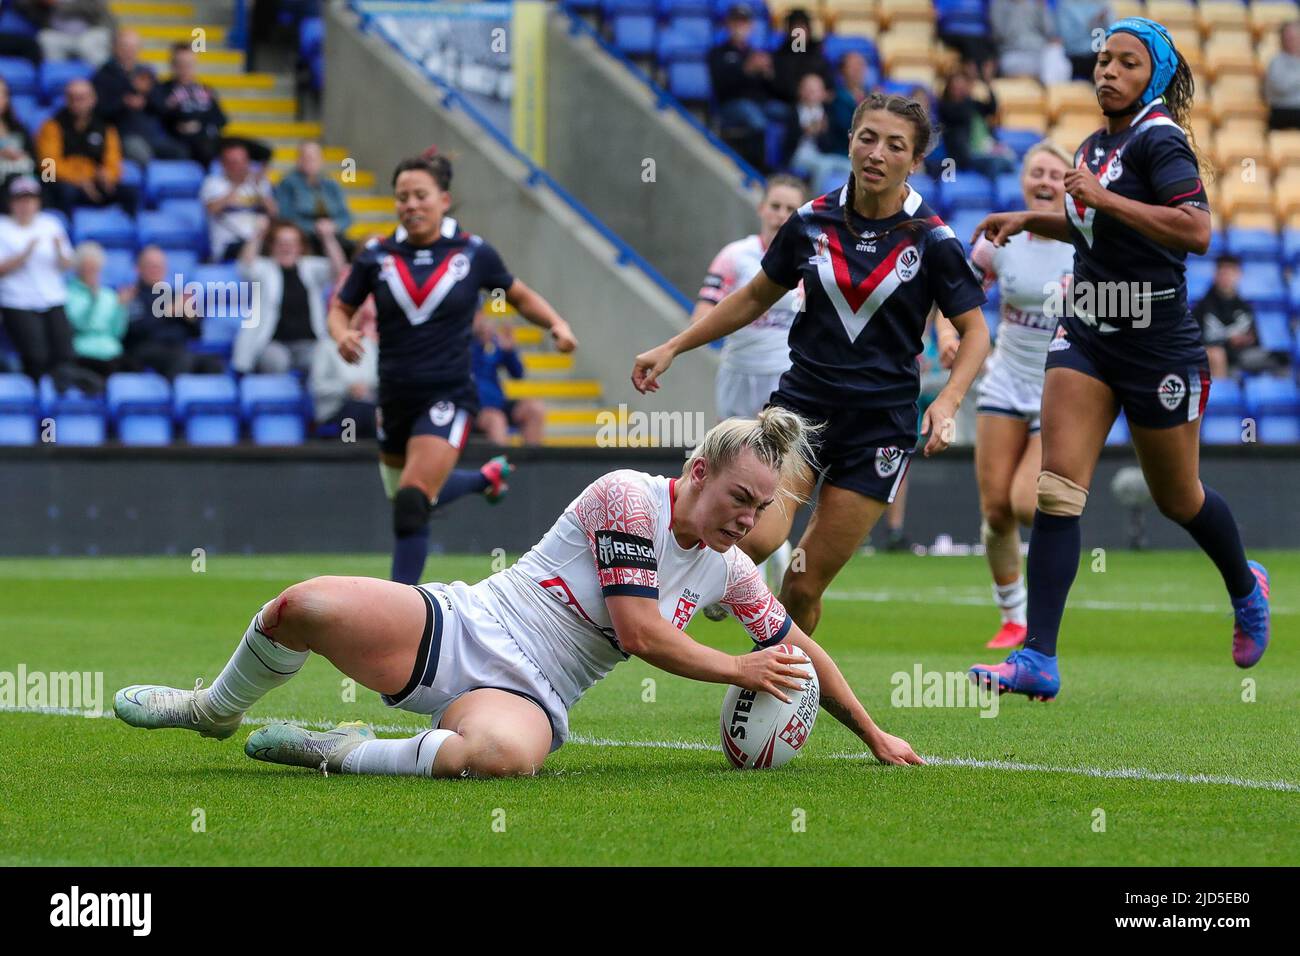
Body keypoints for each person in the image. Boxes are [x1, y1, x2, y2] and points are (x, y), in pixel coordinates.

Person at [113, 411, 925, 777]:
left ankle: (339, 751)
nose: (747, 522)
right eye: (739, 499)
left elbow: (798, 650)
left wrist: (874, 732)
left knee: (504, 759)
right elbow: (640, 633)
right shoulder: (627, 498)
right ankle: (214, 709)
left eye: (761, 510)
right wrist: (742, 671)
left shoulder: (731, 570)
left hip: (535, 694)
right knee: (301, 606)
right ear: (697, 473)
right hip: (464, 625)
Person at [968, 17, 1271, 701]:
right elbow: (1093, 224)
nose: (1107, 71)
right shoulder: (1099, 142)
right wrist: (1033, 220)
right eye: (1103, 60)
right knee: (1056, 490)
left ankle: (1245, 585)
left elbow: (1195, 229)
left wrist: (1103, 199)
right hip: (1089, 333)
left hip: (1157, 341)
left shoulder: (1162, 141)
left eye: (1126, 63)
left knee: (1177, 498)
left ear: (1155, 77)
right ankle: (1038, 656)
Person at [633, 93, 991, 636]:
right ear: (848, 141)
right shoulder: (809, 221)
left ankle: (775, 691)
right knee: (756, 539)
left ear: (914, 161)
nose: (876, 153)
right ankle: (653, 616)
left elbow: (976, 332)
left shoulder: (933, 239)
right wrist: (674, 347)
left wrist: (947, 401)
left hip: (880, 429)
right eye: (867, 138)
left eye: (895, 146)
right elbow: (753, 297)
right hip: (800, 412)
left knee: (801, 582)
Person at [328, 155, 578, 585]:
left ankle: (397, 607)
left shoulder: (472, 253)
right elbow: (341, 307)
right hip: (394, 396)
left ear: (443, 200)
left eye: (420, 195)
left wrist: (556, 323)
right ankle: (485, 478)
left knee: (412, 499)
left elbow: (517, 295)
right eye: (402, 197)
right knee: (409, 497)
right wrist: (340, 334)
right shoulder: (376, 256)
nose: (411, 204)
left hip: (448, 394)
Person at [936, 142, 1075, 648]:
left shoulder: (1083, 241)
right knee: (994, 509)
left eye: (1055, 174)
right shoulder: (1000, 240)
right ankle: (1014, 615)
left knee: (1023, 502)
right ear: (1022, 180)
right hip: (1004, 380)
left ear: (1068, 184)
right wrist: (950, 336)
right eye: (1036, 172)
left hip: (1060, 386)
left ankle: (1054, 568)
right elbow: (955, 294)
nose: (1044, 181)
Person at [690, 174, 805, 602]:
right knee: (729, 463)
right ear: (762, 209)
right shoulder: (734, 257)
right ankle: (734, 558)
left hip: (784, 379)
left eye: (790, 209)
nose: (780, 215)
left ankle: (757, 556)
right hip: (737, 375)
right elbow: (704, 308)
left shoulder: (809, 260)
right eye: (775, 206)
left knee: (771, 468)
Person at [0, 175, 86, 389]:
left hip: (52, 297)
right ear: (11, 203)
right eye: (20, 200)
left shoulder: (50, 224)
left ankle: (61, 400)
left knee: (65, 351)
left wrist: (60, 252)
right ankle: (36, 399)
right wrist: (23, 255)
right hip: (18, 300)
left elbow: (68, 264)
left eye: (30, 200)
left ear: (38, 202)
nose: (25, 205)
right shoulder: (3, 228)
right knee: (36, 356)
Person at [232, 216, 344, 375]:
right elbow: (245, 267)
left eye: (292, 243)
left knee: (324, 361)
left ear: (300, 247)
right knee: (277, 361)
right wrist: (258, 233)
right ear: (272, 246)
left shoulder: (310, 267)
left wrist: (328, 238)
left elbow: (338, 271)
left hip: (309, 343)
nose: (287, 247)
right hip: (272, 343)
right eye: (281, 243)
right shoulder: (264, 268)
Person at [120, 244, 221, 377]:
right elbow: (134, 330)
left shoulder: (174, 295)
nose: (157, 270)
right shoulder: (133, 295)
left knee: (213, 363)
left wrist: (191, 317)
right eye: (151, 266)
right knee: (181, 359)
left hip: (179, 349)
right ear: (138, 269)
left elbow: (197, 333)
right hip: (145, 350)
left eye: (160, 266)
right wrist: (166, 312)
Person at [36, 78, 134, 213]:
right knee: (63, 191)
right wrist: (78, 179)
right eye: (71, 98)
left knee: (130, 192)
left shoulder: (105, 128)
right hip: (64, 184)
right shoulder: (52, 126)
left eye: (81, 98)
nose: (76, 103)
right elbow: (48, 169)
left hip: (95, 182)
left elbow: (113, 162)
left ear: (93, 99)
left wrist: (108, 176)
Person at [708, 4, 786, 171]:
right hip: (731, 105)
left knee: (789, 113)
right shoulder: (718, 53)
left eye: (744, 23)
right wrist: (746, 70)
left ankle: (786, 165)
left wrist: (768, 74)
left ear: (751, 26)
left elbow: (772, 90)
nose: (740, 27)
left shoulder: (756, 53)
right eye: (736, 22)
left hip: (759, 103)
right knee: (756, 120)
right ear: (728, 25)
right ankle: (756, 169)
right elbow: (721, 87)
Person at [1193, 254, 1275, 378]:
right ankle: (1222, 395)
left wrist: (1247, 340)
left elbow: (1256, 340)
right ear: (1215, 275)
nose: (1226, 277)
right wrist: (1228, 342)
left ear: (1239, 275)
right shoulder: (1202, 308)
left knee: (1280, 359)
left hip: (1241, 356)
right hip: (1215, 359)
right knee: (1217, 355)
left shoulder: (1245, 307)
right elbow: (1195, 342)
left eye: (1231, 272)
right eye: (1223, 272)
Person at [471, 309, 544, 446]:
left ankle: (533, 464)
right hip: (473, 409)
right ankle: (503, 465)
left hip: (499, 405)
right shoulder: (459, 343)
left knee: (535, 409)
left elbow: (518, 374)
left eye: (480, 314)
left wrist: (510, 351)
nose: (480, 319)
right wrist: (478, 344)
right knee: (496, 420)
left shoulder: (493, 342)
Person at [200, 139, 277, 262]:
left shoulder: (258, 183)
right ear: (223, 164)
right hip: (229, 245)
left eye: (242, 161)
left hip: (257, 241)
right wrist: (236, 185)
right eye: (233, 162)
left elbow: (274, 212)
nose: (239, 166)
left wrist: (258, 188)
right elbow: (211, 210)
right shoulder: (213, 183)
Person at [274, 141, 353, 257]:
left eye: (314, 158)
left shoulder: (331, 185)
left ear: (321, 160)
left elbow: (346, 216)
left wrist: (334, 226)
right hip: (304, 236)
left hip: (332, 233)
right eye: (306, 157)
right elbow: (286, 216)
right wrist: (315, 227)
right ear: (298, 160)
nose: (310, 162)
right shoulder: (288, 183)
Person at [65, 239, 129, 377]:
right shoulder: (68, 294)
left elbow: (117, 332)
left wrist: (121, 309)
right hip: (83, 352)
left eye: (95, 268)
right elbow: (80, 326)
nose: (91, 272)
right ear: (78, 269)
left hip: (112, 352)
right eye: (87, 268)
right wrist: (92, 302)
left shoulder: (109, 295)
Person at [155, 42, 227, 166]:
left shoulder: (206, 90)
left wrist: (199, 124)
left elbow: (221, 119)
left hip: (205, 140)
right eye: (180, 64)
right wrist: (180, 123)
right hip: (177, 142)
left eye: (189, 65)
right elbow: (159, 115)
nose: (185, 69)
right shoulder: (161, 89)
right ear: (172, 65)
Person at [938, 68, 1016, 177]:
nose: (959, 90)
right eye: (956, 87)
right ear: (949, 88)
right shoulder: (946, 107)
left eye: (962, 85)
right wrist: (970, 91)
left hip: (986, 147)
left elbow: (992, 108)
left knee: (1011, 157)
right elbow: (961, 115)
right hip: (966, 154)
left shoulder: (972, 104)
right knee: (995, 163)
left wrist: (987, 83)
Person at [786, 73, 850, 189]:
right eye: (808, 89)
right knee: (824, 166)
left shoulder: (826, 114)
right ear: (800, 90)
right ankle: (816, 202)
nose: (811, 93)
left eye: (815, 90)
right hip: (798, 154)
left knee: (849, 166)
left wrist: (822, 132)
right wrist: (805, 131)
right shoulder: (793, 111)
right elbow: (786, 142)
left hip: (820, 155)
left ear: (823, 94)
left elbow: (828, 146)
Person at [17, 0, 112, 66]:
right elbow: (21, 4)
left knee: (88, 43)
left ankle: (102, 76)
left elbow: (94, 8)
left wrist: (58, 3)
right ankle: (59, 78)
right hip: (60, 35)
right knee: (45, 38)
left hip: (90, 33)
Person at [771, 8, 834, 105]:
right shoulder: (781, 55)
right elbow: (778, 85)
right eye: (796, 28)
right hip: (790, 105)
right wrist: (802, 93)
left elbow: (829, 86)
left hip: (818, 104)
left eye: (802, 27)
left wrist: (821, 94)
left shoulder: (818, 53)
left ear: (809, 30)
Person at [990, 0, 1060, 80]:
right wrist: (1017, 6)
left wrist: (1041, 7)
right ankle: (1045, 85)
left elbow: (1049, 31)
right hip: (1013, 54)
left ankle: (1048, 86)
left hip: (1039, 53)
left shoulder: (1035, 3)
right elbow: (1001, 35)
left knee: (1056, 54)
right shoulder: (999, 5)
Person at [1056, 0, 1113, 81]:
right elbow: (1068, 39)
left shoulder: (1102, 4)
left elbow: (1110, 31)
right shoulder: (1066, 6)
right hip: (1077, 55)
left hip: (1099, 52)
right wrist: (1093, 23)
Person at [0, 76, 37, 193]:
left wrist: (23, 156)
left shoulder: (18, 128)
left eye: (3, 93)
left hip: (21, 180)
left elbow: (34, 157)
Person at [1265, 21, 1300, 131]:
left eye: (1295, 37)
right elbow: (1281, 87)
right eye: (1289, 37)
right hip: (1283, 112)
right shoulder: (1276, 62)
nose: (1292, 40)